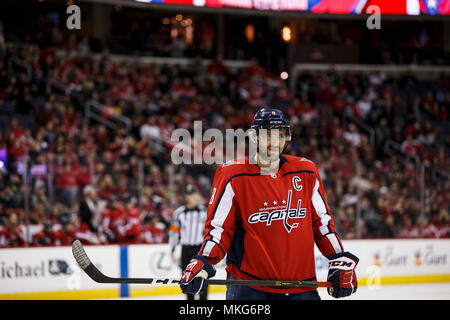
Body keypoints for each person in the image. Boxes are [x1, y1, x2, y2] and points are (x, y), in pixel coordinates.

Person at [180, 108, 359, 300]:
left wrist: (338, 257)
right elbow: (220, 230)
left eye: (280, 135)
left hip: (302, 286)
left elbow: (322, 224)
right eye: (267, 135)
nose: (274, 142)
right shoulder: (232, 175)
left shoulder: (306, 171)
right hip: (249, 288)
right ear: (255, 137)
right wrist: (204, 261)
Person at [169, 184, 208, 300]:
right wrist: (172, 249)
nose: (196, 197)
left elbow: (210, 232)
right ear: (187, 197)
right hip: (186, 250)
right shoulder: (179, 213)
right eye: (192, 194)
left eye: (196, 194)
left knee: (202, 280)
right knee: (187, 280)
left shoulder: (204, 212)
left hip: (200, 250)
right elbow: (174, 233)